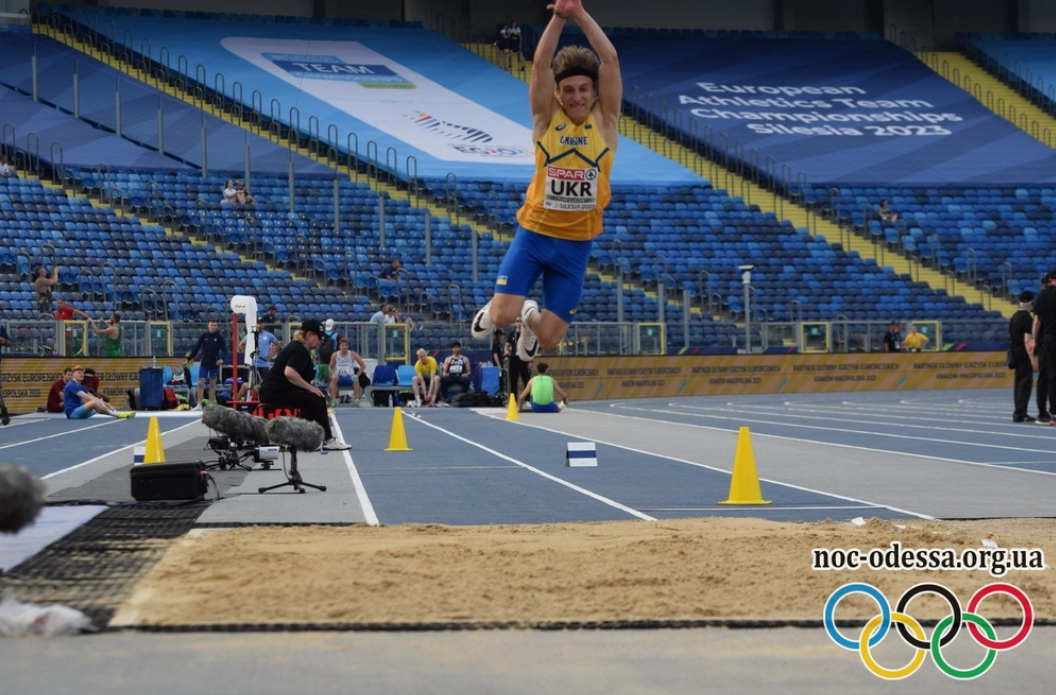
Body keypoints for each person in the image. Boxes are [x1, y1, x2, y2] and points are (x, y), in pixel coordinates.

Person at [472, 0, 621, 362]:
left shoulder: (606, 122)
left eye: (584, 89)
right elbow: (540, 65)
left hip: (576, 245)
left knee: (551, 340)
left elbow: (611, 61)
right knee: (500, 317)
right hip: (535, 234)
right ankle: (509, 310)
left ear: (594, 92)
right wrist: (558, 16)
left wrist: (579, 12)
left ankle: (528, 314)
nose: (577, 97)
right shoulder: (545, 119)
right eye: (568, 90)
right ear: (558, 93)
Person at [258, 319, 349, 450]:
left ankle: (329, 440)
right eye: (319, 337)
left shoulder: (301, 348)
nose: (321, 340)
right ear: (309, 335)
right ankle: (293, 436)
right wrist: (310, 388)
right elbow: (289, 372)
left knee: (319, 398)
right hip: (273, 392)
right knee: (315, 400)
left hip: (278, 390)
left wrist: (311, 389)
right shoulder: (298, 349)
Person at [63, 365, 134, 419]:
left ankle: (117, 413)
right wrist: (99, 403)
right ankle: (115, 415)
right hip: (73, 414)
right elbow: (86, 397)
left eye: (82, 373)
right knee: (94, 403)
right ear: (73, 375)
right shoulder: (71, 385)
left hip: (82, 413)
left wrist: (103, 403)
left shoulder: (81, 386)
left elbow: (92, 396)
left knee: (103, 404)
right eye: (79, 373)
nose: (81, 375)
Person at [186, 320, 226, 410]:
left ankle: (211, 404)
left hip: (214, 363)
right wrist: (188, 358)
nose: (213, 327)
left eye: (215, 325)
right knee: (201, 382)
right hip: (204, 363)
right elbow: (196, 348)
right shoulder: (204, 336)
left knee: (212, 384)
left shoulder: (219, 337)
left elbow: (224, 350)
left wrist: (222, 359)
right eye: (212, 325)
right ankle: (199, 404)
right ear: (208, 326)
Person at [1011, 291, 1037, 422]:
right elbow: (1027, 341)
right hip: (1024, 354)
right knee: (1025, 383)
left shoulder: (1014, 317)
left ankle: (1019, 411)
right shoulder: (1027, 318)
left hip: (1015, 352)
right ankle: (1021, 413)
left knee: (1018, 382)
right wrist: (1033, 360)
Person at [329, 338, 367, 407]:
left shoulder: (352, 354)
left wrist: (357, 375)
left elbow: (363, 365)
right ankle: (334, 401)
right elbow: (330, 367)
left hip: (349, 376)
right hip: (339, 377)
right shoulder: (335, 355)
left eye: (345, 345)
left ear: (348, 346)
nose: (344, 347)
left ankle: (357, 401)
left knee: (355, 378)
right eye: (342, 345)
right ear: (339, 346)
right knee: (334, 378)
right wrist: (334, 373)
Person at [1035, 273, 1051, 424]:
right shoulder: (1044, 297)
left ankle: (1044, 411)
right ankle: (1043, 411)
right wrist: (1034, 341)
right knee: (1046, 378)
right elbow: (1037, 321)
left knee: (1046, 378)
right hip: (1045, 343)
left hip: (1045, 342)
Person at [506, 317, 533, 396]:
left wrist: (531, 361)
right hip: (514, 358)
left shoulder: (527, 334)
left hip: (524, 359)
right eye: (517, 321)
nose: (519, 323)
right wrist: (506, 351)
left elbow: (531, 349)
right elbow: (507, 345)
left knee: (526, 380)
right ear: (515, 323)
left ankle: (527, 400)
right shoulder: (511, 334)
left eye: (521, 321)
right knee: (513, 381)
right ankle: (513, 400)